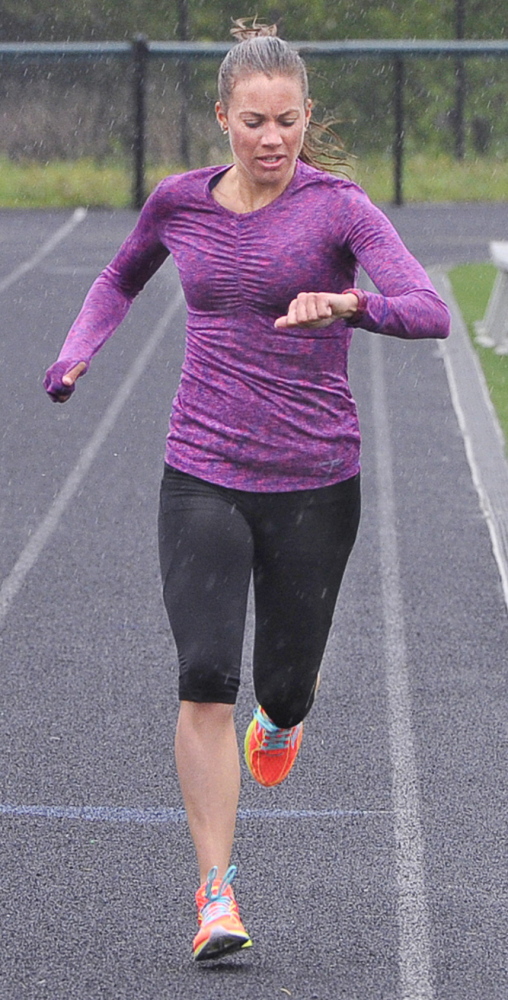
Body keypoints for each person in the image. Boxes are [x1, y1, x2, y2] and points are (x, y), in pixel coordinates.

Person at [44, 18, 450, 963]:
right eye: (255, 121)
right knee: (203, 679)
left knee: (280, 686)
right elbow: (117, 278)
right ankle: (215, 894)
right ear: (222, 117)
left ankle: (289, 712)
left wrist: (353, 303)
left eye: (289, 122)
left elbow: (427, 309)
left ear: (309, 117)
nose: (273, 140)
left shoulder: (341, 208)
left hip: (316, 479)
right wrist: (76, 352)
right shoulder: (177, 204)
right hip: (202, 469)